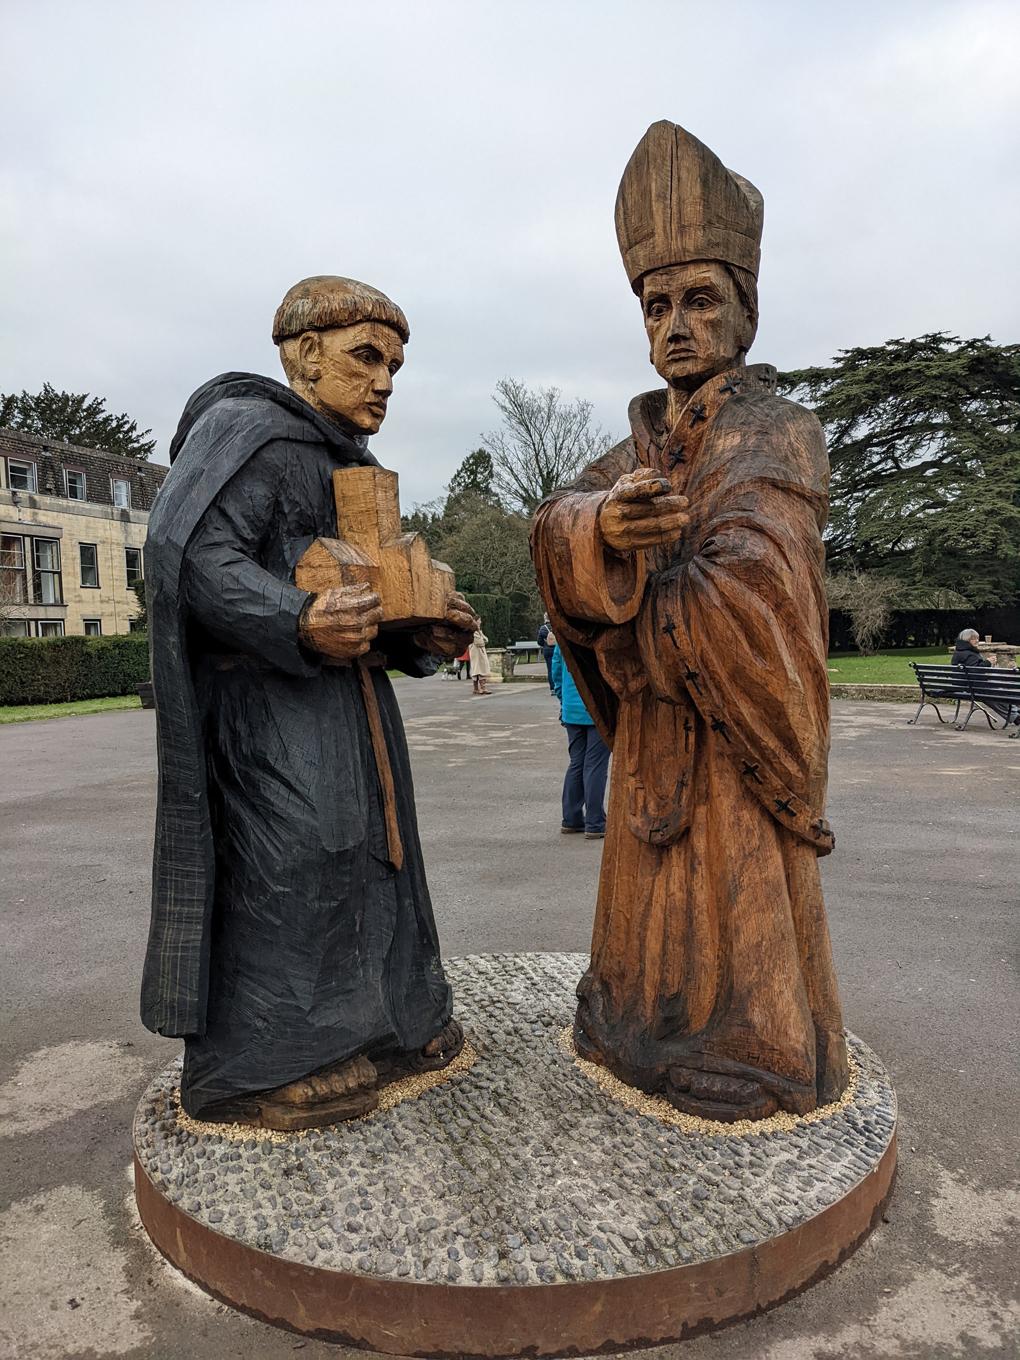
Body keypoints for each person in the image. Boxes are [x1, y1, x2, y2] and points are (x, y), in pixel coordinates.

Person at [532, 122, 847, 1123]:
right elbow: (555, 522)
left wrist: (644, 606)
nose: (674, 324)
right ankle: (633, 1021)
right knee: (644, 914)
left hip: (727, 733)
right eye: (656, 304)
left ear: (744, 313)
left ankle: (757, 1045)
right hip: (656, 740)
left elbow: (764, 587)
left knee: (734, 891)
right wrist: (606, 526)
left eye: (699, 301)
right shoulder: (643, 439)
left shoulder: (773, 428)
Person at [141, 275, 475, 1131]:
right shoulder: (247, 435)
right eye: (366, 357)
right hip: (271, 718)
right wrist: (295, 617)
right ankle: (275, 1058)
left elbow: (368, 583)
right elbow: (191, 556)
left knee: (377, 857)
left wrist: (421, 634)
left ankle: (398, 1020)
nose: (386, 381)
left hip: (353, 714)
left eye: (395, 365)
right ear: (305, 355)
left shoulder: (349, 464)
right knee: (293, 862)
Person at [552, 644, 610, 839]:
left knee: (577, 762)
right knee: (595, 765)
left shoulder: (563, 639)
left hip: (571, 708)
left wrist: (564, 698)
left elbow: (556, 671)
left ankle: (571, 819)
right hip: (599, 709)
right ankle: (595, 823)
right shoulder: (599, 637)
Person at [952, 628, 1018, 722]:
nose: (976, 641)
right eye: (973, 639)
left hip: (964, 686)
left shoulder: (959, 652)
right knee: (998, 692)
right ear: (966, 640)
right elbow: (976, 671)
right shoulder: (969, 654)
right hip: (971, 687)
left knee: (994, 695)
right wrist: (987, 662)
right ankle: (1015, 714)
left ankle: (1015, 715)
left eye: (977, 638)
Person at [469, 627, 493, 695]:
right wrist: (481, 636)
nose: (480, 621)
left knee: (480, 670)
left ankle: (482, 688)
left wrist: (481, 634)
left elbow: (486, 640)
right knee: (478, 670)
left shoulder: (479, 632)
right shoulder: (474, 632)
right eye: (479, 620)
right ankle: (477, 688)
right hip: (476, 654)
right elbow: (480, 642)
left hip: (479, 654)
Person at [537, 613, 556, 691]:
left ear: (545, 619)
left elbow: (539, 641)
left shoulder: (543, 628)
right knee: (559, 668)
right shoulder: (557, 627)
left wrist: (545, 645)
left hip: (547, 650)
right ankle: (560, 686)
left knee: (550, 669)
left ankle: (552, 688)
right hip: (557, 649)